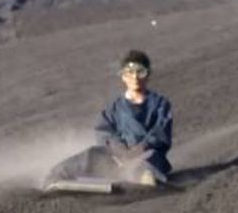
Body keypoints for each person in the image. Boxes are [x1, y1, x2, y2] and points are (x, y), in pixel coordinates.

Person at [44, 50, 174, 188]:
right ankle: (58, 176)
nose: (135, 77)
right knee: (92, 155)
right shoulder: (114, 108)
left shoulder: (160, 104)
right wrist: (119, 148)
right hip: (118, 156)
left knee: (149, 161)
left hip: (145, 154)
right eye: (130, 72)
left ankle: (144, 179)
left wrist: (141, 147)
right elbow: (104, 131)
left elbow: (161, 133)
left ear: (147, 75)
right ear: (123, 76)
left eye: (140, 72)